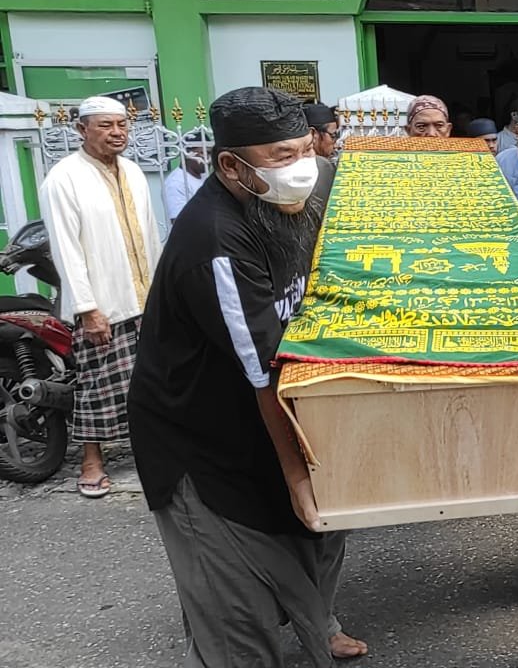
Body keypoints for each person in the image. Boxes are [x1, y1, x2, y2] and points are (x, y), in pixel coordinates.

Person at [127, 86, 367, 667]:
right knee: (236, 616)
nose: (302, 168)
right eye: (282, 157)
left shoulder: (305, 193)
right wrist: (300, 477)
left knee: (320, 536)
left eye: (307, 149)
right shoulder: (216, 239)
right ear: (231, 165)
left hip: (271, 416)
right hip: (200, 444)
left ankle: (318, 623)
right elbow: (264, 373)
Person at [39, 95, 162, 498]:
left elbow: (150, 233)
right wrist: (88, 309)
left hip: (144, 297)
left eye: (121, 125)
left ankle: (152, 455)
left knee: (151, 383)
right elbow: (65, 249)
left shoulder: (134, 172)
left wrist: (164, 290)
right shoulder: (64, 178)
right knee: (97, 387)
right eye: (105, 126)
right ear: (81, 130)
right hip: (102, 305)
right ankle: (92, 460)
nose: (116, 133)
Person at [163, 127, 212, 222]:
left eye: (209, 153)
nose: (208, 159)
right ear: (188, 153)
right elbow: (179, 221)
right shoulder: (175, 183)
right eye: (203, 153)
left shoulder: (204, 174)